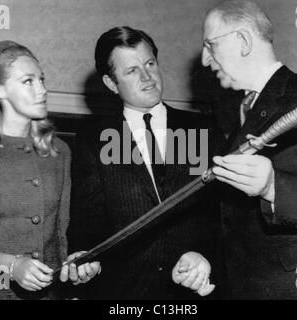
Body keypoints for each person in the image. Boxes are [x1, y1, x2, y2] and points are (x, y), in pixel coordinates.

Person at [194, 0, 297, 299]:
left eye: (211, 45)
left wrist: (274, 186)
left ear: (244, 41)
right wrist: (204, 260)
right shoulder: (235, 116)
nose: (204, 60)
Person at [68, 26, 225, 299]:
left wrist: (206, 257)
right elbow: (87, 222)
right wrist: (84, 257)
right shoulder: (93, 141)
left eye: (150, 63)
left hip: (192, 294)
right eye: (131, 71)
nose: (147, 76)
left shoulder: (203, 130)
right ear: (110, 83)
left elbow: (224, 215)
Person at [0, 40, 101, 300]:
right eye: (28, 81)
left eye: (42, 80)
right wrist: (13, 266)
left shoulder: (59, 152)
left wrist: (76, 263)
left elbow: (63, 231)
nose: (42, 90)